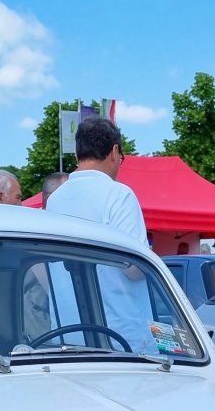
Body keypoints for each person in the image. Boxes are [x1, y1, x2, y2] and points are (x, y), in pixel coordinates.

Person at [43, 117, 156, 352]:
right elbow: (135, 269)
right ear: (114, 151)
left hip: (68, 333)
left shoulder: (55, 200)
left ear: (77, 154)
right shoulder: (119, 195)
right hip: (119, 336)